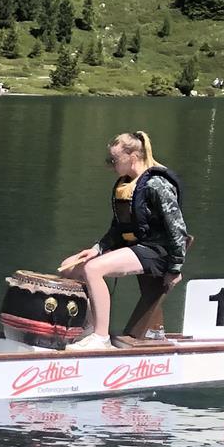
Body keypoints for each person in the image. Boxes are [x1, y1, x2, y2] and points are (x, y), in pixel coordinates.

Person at [58, 130, 190, 349]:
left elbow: (177, 229)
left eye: (114, 160)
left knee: (93, 269)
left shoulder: (157, 184)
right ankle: (88, 328)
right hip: (135, 248)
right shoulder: (126, 184)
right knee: (70, 267)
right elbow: (118, 227)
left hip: (157, 252)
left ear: (133, 157)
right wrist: (98, 248)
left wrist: (175, 268)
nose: (111, 165)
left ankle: (101, 338)